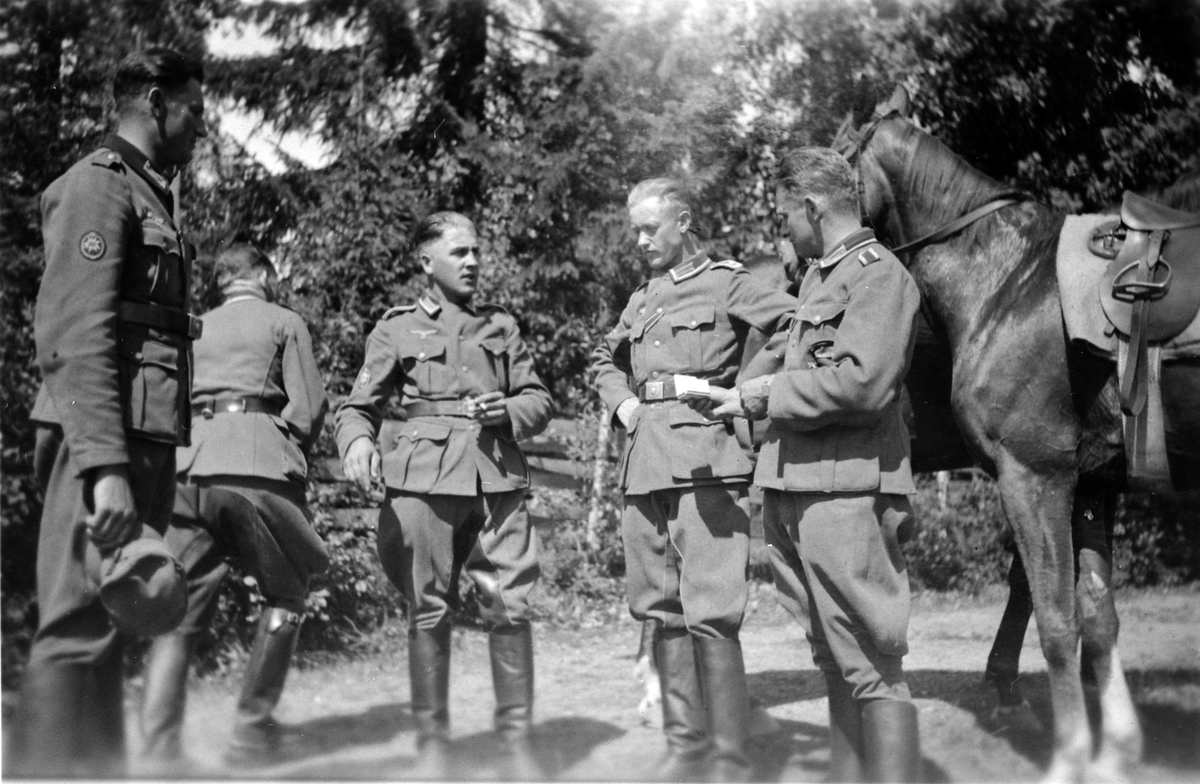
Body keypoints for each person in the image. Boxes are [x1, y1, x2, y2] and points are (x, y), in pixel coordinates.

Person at [6, 48, 207, 777]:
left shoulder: (154, 195)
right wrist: (106, 470)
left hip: (142, 438)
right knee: (73, 627)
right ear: (155, 102)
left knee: (111, 623)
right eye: (194, 112)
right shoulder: (98, 187)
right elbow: (74, 338)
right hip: (104, 441)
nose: (201, 130)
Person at [708, 147, 924, 782]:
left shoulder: (877, 275)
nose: (782, 234)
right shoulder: (817, 282)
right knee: (832, 657)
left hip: (846, 494)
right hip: (792, 487)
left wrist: (761, 394)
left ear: (810, 207)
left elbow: (864, 385)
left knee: (870, 664)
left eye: (783, 220)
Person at [590, 178, 798, 781]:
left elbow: (793, 328)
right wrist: (622, 404)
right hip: (644, 461)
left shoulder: (727, 281)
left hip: (707, 458)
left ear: (683, 221)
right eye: (635, 229)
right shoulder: (643, 297)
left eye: (650, 228)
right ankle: (685, 752)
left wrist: (744, 391)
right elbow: (606, 359)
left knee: (711, 611)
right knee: (659, 608)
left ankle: (730, 760)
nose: (641, 240)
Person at [335, 212, 553, 780]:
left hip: (495, 478)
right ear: (426, 262)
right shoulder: (396, 327)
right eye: (459, 252)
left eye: (476, 251)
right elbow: (357, 405)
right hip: (422, 483)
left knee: (510, 604)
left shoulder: (501, 325)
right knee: (428, 607)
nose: (474, 261)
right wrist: (357, 442)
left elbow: (538, 399)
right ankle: (432, 746)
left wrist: (510, 409)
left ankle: (517, 747)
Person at [137, 243, 331, 770]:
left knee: (178, 607)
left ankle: (157, 750)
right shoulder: (283, 320)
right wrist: (279, 442)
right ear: (264, 277)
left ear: (223, 282)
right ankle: (249, 740)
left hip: (189, 467)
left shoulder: (193, 325)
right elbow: (309, 408)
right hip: (255, 467)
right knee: (287, 594)